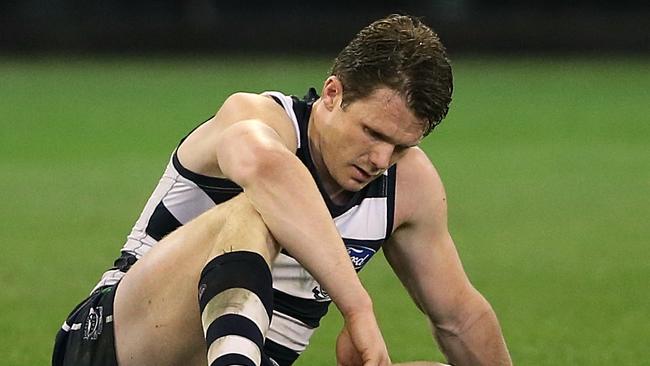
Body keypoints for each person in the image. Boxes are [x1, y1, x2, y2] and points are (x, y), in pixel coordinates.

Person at [53, 14, 512, 366]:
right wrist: (358, 308)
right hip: (111, 344)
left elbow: (460, 317)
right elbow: (269, 171)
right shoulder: (257, 118)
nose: (379, 160)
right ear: (333, 94)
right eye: (372, 132)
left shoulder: (407, 185)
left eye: (400, 146)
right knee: (258, 208)